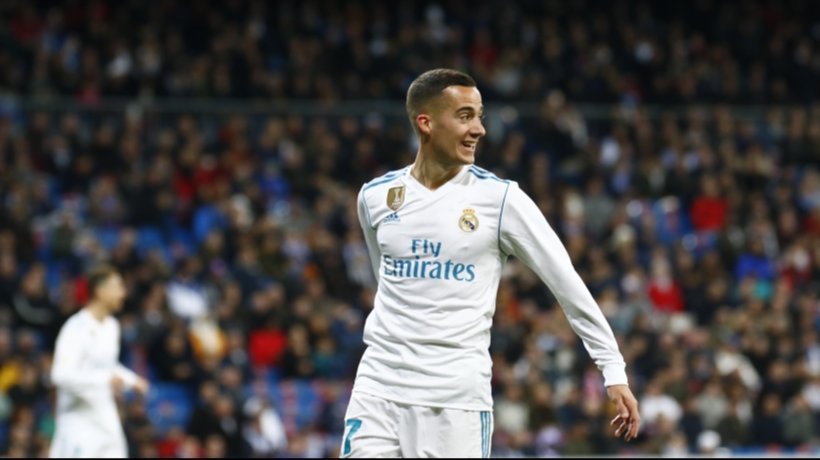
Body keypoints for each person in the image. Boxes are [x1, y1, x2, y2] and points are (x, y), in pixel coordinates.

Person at [342, 68, 640, 458]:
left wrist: (612, 370)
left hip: (454, 401)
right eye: (465, 116)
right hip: (377, 389)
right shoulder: (377, 197)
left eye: (480, 116)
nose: (479, 129)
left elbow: (568, 287)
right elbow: (387, 283)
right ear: (426, 122)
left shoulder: (501, 201)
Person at [49, 264, 149, 458]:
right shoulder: (76, 327)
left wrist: (132, 380)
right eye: (118, 287)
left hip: (104, 413)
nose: (123, 293)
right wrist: (104, 380)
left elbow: (108, 366)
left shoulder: (112, 326)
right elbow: (60, 376)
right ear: (100, 291)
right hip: (77, 418)